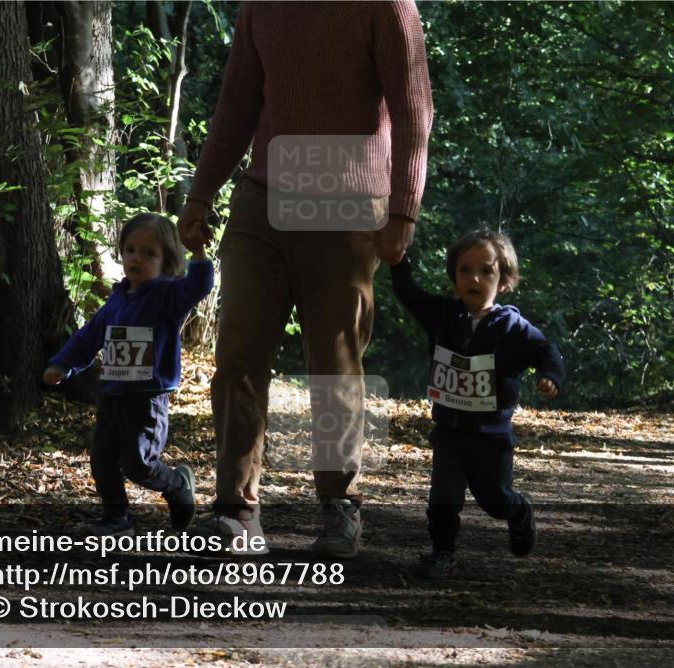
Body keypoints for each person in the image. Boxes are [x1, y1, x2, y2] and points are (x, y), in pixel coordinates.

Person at [177, 1, 434, 557]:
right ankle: (235, 511)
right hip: (263, 198)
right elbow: (237, 105)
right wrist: (201, 192)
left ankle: (340, 505)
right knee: (238, 356)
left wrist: (403, 210)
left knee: (334, 360)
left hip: (346, 204)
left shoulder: (385, 7)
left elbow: (414, 109)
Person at [390, 229, 564, 578]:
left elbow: (547, 350)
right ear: (454, 277)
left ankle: (518, 512)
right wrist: (398, 258)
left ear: (503, 281)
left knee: (493, 499)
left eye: (486, 271)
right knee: (443, 497)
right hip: (449, 432)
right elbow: (408, 294)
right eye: (465, 270)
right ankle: (443, 553)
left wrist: (551, 376)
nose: (475, 278)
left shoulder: (513, 327)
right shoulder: (443, 316)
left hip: (491, 436)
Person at [43, 213, 214, 535]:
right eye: (131, 249)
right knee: (103, 460)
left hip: (146, 395)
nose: (137, 258)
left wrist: (199, 253)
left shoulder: (168, 296)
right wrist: (63, 364)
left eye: (150, 253)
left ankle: (177, 483)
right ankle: (116, 519)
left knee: (139, 464)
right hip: (111, 393)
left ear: (167, 261)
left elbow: (199, 286)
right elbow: (89, 336)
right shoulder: (117, 299)